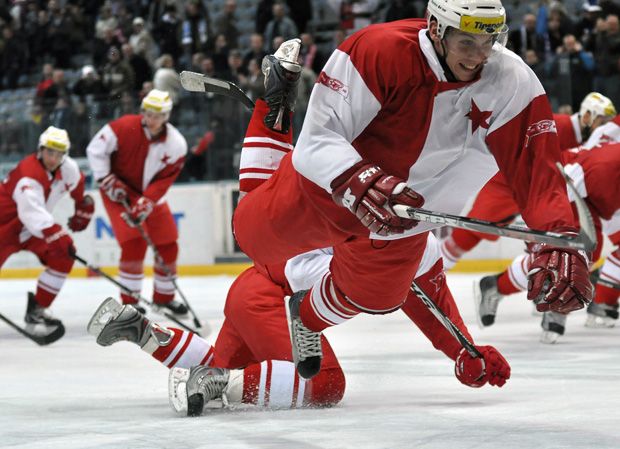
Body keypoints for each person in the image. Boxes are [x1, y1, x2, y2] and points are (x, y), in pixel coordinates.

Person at [87, 71, 510, 416]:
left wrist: (463, 350)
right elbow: (287, 242)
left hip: (253, 291)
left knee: (225, 356)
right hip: (269, 297)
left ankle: (141, 330)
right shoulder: (356, 221)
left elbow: (431, 302)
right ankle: (220, 383)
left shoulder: (401, 230)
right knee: (324, 384)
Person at [232, 0, 593, 380]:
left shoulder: (512, 80)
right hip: (332, 193)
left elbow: (538, 174)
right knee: (250, 238)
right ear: (436, 29)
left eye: (490, 41)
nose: (480, 57)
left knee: (378, 298)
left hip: (404, 219)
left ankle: (304, 316)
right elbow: (318, 140)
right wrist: (356, 178)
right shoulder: (377, 49)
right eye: (467, 43)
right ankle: (273, 108)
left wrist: (559, 237)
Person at [440, 92, 616, 270]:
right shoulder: (558, 125)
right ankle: (441, 262)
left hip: (534, 189)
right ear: (587, 116)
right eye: (602, 122)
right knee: (479, 226)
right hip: (507, 184)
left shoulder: (587, 140)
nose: (604, 129)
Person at [474, 140, 620, 343]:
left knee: (583, 253)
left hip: (592, 199)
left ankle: (497, 285)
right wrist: (554, 234)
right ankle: (552, 299)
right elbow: (565, 182)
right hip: (567, 186)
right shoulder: (604, 167)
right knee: (570, 253)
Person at [85, 89, 188, 316]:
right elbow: (95, 150)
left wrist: (147, 202)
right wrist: (106, 179)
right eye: (149, 114)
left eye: (158, 115)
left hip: (150, 195)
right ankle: (130, 300)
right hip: (117, 191)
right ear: (143, 111)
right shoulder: (122, 126)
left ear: (167, 116)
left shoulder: (176, 144)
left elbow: (164, 180)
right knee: (134, 243)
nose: (152, 120)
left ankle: (164, 298)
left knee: (168, 243)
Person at [0, 126, 93, 344]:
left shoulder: (67, 168)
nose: (54, 158)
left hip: (30, 230)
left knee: (64, 256)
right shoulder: (28, 175)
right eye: (50, 152)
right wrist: (57, 234)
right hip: (5, 228)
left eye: (59, 154)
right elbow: (31, 213)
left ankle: (37, 310)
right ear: (40, 150)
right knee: (62, 244)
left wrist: (81, 204)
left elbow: (77, 181)